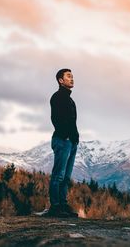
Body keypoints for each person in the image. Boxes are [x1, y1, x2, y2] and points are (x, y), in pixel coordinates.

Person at [44, 68, 79, 218]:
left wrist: (75, 138)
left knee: (66, 177)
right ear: (60, 80)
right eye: (68, 76)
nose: (72, 79)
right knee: (58, 176)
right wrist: (65, 136)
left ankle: (63, 206)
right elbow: (56, 119)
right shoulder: (57, 97)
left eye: (72, 76)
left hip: (71, 142)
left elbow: (72, 121)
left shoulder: (70, 99)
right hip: (62, 140)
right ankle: (55, 207)